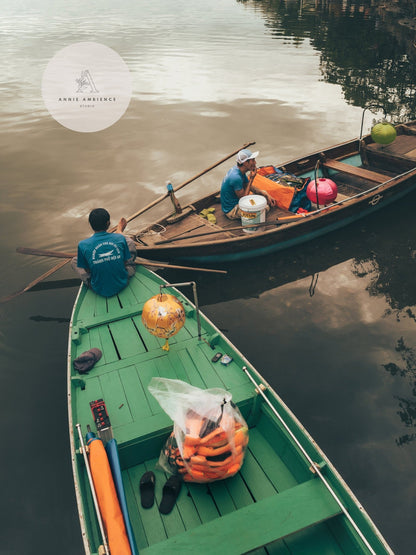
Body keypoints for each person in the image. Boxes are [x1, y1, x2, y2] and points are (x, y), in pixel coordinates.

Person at [71, 208, 137, 297]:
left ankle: (119, 231)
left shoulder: (82, 245)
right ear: (108, 223)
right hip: (122, 282)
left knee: (74, 261)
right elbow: (124, 262)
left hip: (98, 288)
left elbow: (87, 270)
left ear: (91, 225)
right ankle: (119, 231)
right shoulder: (120, 239)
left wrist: (98, 262)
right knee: (128, 242)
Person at [220, 148, 276, 219]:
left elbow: (248, 186)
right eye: (253, 160)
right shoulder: (236, 177)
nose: (255, 163)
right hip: (231, 210)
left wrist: (265, 193)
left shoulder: (238, 170)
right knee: (265, 208)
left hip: (238, 200)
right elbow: (244, 199)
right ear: (245, 163)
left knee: (262, 197)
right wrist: (252, 178)